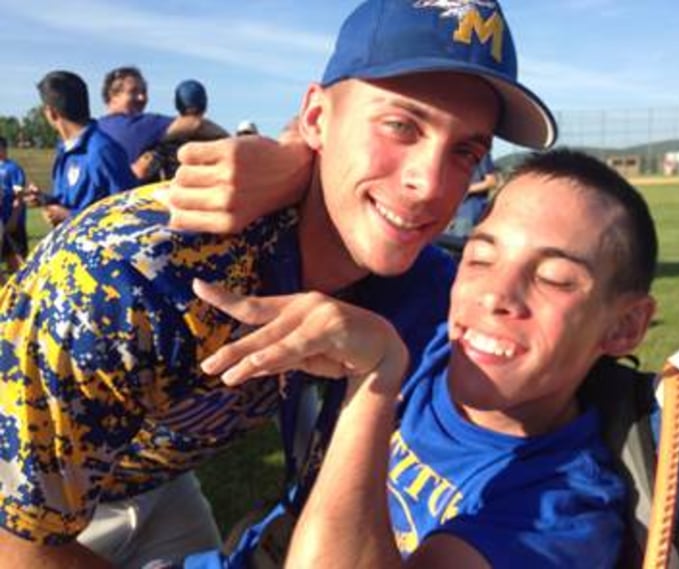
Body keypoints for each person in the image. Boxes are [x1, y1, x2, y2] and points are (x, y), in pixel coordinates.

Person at [0, 1, 555, 567]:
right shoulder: (126, 277)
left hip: (157, 480)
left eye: (466, 150)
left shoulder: (410, 275)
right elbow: (19, 546)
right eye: (400, 125)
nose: (430, 185)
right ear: (316, 119)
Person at [195, 149, 658, 568]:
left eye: (555, 278)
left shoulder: (563, 517)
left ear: (625, 327)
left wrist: (375, 381)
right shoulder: (423, 310)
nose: (496, 294)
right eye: (480, 258)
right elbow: (352, 193)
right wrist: (296, 159)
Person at [22, 70, 137, 227]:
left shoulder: (102, 150)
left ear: (51, 113)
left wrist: (70, 216)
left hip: (99, 250)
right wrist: (44, 199)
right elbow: (69, 201)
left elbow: (131, 210)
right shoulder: (64, 149)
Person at [97, 66, 227, 182]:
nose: (142, 97)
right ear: (113, 95)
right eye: (134, 91)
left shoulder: (95, 130)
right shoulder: (145, 125)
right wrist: (234, 141)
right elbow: (196, 124)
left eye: (143, 92)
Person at [150, 79, 225, 180]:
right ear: (205, 104)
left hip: (176, 192)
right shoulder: (219, 139)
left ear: (177, 104)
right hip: (211, 192)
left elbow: (146, 169)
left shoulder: (164, 139)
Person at [444, 152, 499, 238]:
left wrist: (465, 189)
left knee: (459, 242)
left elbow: (491, 182)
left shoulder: (481, 154)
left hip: (469, 210)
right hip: (451, 209)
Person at [0, 136, 28, 274]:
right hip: (1, 223)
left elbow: (19, 196)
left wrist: (14, 218)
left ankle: (24, 291)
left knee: (17, 261)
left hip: (12, 222)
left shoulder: (13, 168)